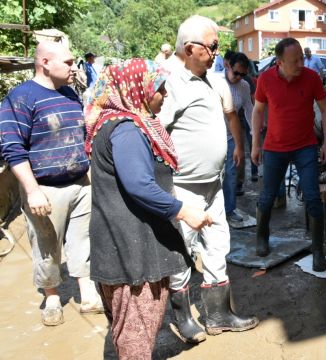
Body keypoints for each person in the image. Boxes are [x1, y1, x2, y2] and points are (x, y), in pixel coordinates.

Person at [84, 58, 211, 358]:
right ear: (136, 89)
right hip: (131, 254)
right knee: (136, 338)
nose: (164, 94)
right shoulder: (127, 130)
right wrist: (184, 211)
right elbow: (140, 186)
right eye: (160, 88)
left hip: (118, 246)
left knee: (128, 331)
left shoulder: (110, 123)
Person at [158, 15, 258, 342]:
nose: (218, 52)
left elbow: (230, 115)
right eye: (212, 46)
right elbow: (155, 138)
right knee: (182, 253)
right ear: (190, 48)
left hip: (213, 186)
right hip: (183, 189)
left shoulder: (211, 80)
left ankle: (219, 315)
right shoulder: (169, 84)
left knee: (217, 249)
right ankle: (185, 319)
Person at [0, 41, 103, 326]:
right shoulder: (20, 98)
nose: (74, 67)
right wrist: (32, 190)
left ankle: (87, 292)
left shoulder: (70, 93)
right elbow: (12, 147)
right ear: (45, 62)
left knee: (83, 240)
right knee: (47, 244)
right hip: (44, 188)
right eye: (68, 63)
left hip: (80, 182)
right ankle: (53, 296)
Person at [252, 38, 326, 271]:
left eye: (302, 57)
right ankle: (262, 237)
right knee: (267, 197)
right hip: (275, 148)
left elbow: (325, 110)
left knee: (312, 197)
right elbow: (258, 111)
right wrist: (255, 144)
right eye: (294, 60)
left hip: (305, 147)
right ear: (279, 62)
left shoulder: (312, 77)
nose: (301, 63)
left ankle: (318, 250)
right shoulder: (266, 79)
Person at [221, 51, 254, 223]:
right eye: (236, 73)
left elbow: (249, 110)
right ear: (228, 66)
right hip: (213, 135)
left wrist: (254, 133)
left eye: (243, 74)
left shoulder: (244, 86)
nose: (239, 77)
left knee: (231, 173)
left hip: (231, 136)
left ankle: (229, 209)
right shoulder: (215, 82)